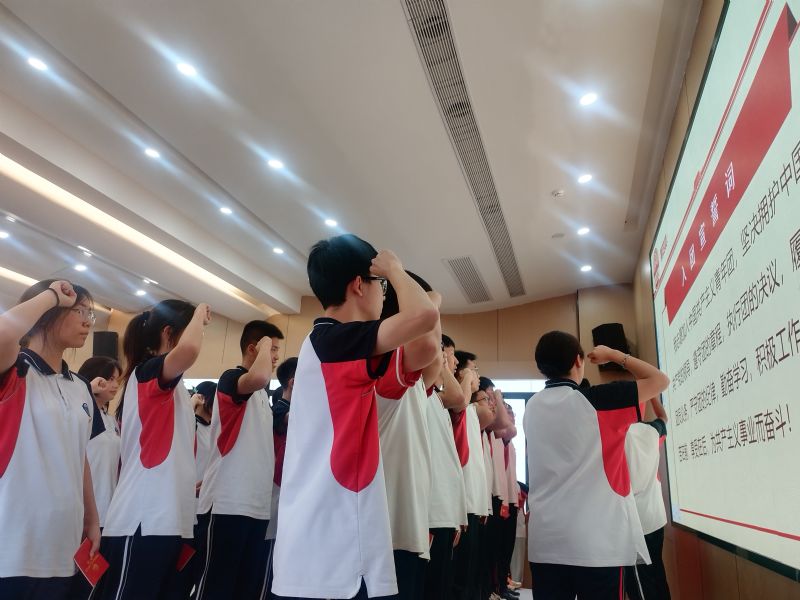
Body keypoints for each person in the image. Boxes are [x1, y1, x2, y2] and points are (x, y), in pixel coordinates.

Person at [272, 234, 439, 600]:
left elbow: (426, 342)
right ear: (359, 285)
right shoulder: (336, 341)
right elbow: (425, 319)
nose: (384, 293)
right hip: (337, 540)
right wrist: (395, 269)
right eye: (381, 284)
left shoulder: (327, 342)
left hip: (322, 538)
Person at [524, 331, 669, 600]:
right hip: (597, 544)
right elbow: (660, 380)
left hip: (546, 540)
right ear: (578, 361)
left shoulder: (532, 407)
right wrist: (614, 355)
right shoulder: (596, 402)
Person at [94, 299, 212, 600]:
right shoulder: (148, 372)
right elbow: (189, 349)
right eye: (192, 329)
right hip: (142, 519)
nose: (198, 336)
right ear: (168, 333)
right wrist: (199, 312)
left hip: (175, 520)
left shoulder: (176, 387)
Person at [0, 280, 102, 600]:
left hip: (64, 543)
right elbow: (4, 333)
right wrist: (52, 295)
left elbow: (79, 455)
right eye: (79, 311)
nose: (87, 321)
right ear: (49, 313)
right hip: (13, 547)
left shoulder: (80, 386)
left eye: (90, 313)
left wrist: (92, 518)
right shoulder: (15, 370)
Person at [196, 321, 283, 600]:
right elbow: (259, 376)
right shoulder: (231, 378)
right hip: (227, 502)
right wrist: (264, 346)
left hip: (256, 505)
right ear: (253, 348)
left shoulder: (262, 395)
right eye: (273, 349)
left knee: (245, 589)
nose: (275, 357)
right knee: (216, 587)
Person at [424, 334, 469, 600]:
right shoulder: (418, 391)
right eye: (445, 354)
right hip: (430, 511)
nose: (451, 361)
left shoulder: (436, 398)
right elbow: (459, 397)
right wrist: (441, 361)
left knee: (440, 586)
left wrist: (456, 513)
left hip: (444, 509)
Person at [625, 397, 671, 600]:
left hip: (635, 526)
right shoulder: (651, 430)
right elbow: (663, 417)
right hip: (656, 519)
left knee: (640, 583)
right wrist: (652, 395)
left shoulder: (615, 434)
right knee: (657, 574)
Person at [263, 356, 298, 600]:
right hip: (275, 497)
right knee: (270, 571)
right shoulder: (280, 409)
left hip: (289, 498)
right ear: (293, 382)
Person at [78, 356, 123, 530]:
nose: (115, 385)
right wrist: (87, 390)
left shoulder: (111, 421)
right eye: (110, 379)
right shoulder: (82, 415)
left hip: (110, 508)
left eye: (117, 380)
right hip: (85, 510)